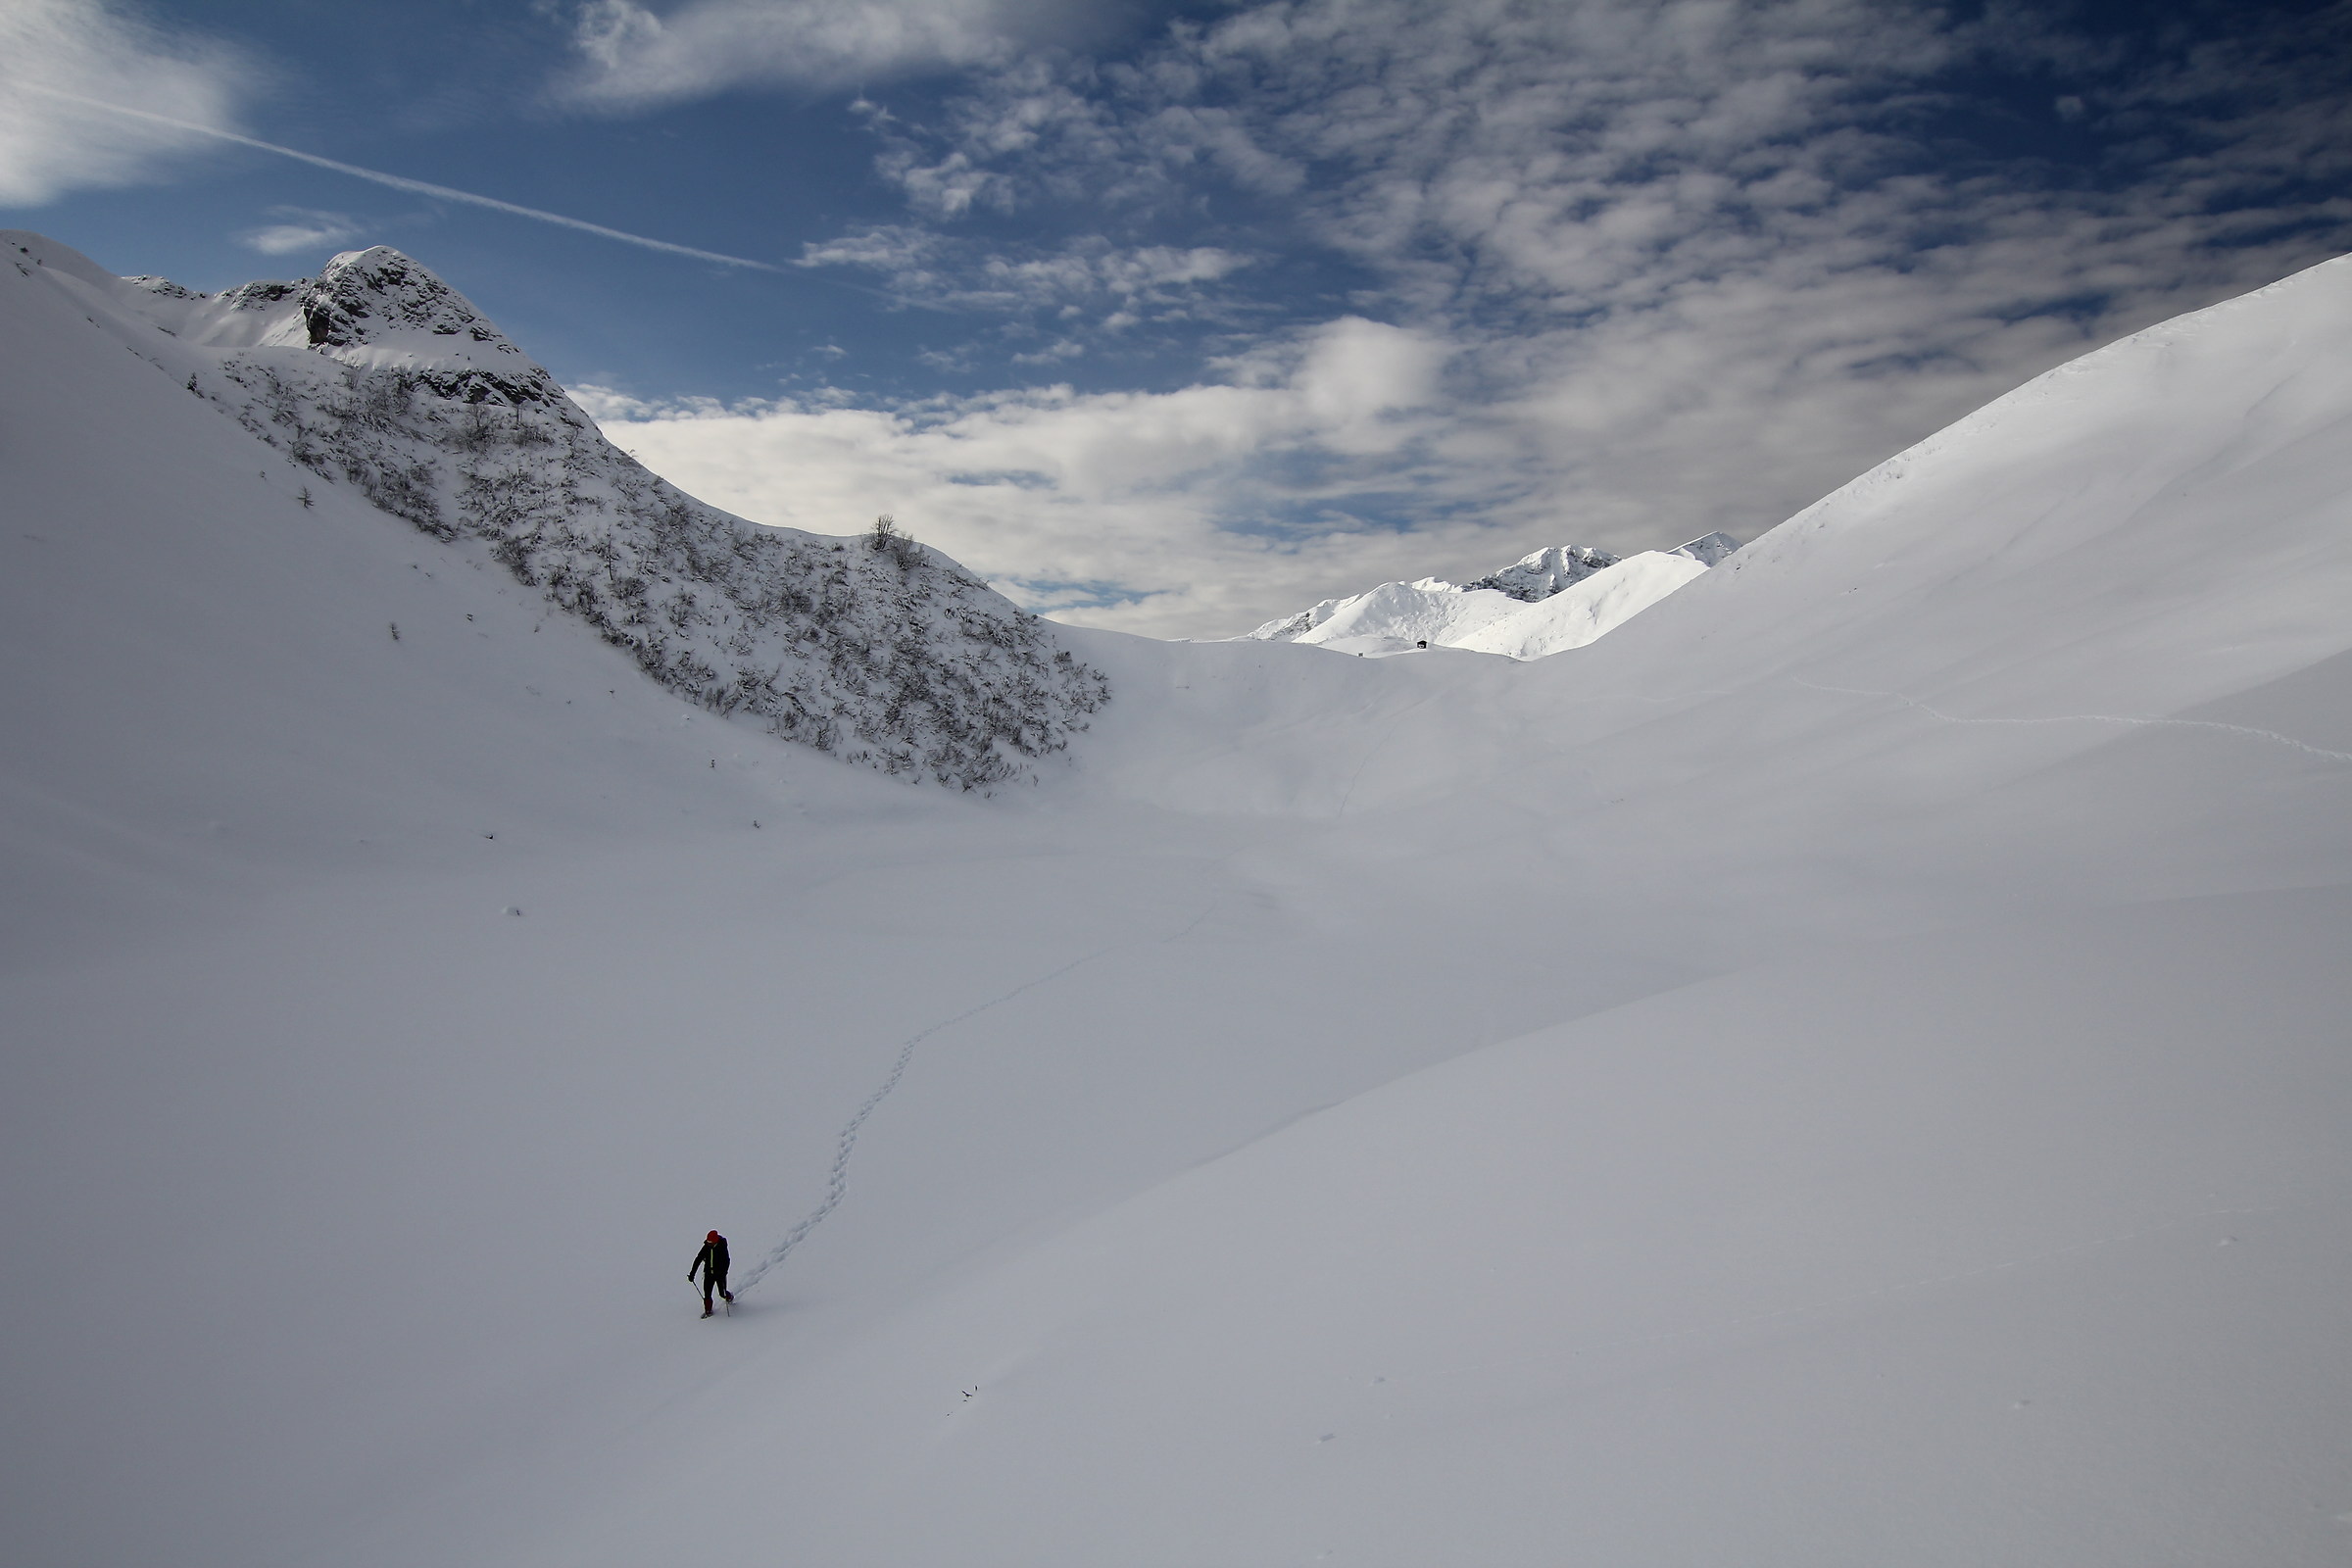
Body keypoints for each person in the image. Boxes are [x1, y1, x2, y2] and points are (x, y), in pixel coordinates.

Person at [689, 1230, 732, 1317]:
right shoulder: (706, 1247)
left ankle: (729, 1297)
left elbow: (727, 1261)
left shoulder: (722, 1247)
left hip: (720, 1274)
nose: (709, 1243)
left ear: (715, 1240)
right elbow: (698, 1259)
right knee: (707, 1293)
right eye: (708, 1241)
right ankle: (708, 1310)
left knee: (722, 1293)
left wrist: (724, 1272)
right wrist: (692, 1273)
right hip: (708, 1273)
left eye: (711, 1242)